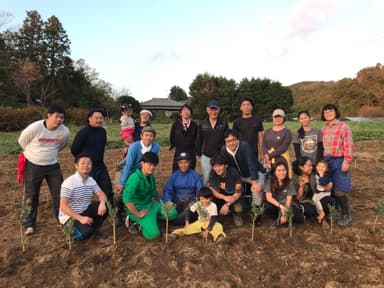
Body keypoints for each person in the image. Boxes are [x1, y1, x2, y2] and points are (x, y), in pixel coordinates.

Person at [18, 104, 70, 235]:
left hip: (52, 165)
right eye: (57, 117)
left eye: (62, 118)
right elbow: (22, 141)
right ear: (49, 116)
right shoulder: (36, 128)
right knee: (31, 194)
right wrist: (34, 154)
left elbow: (62, 145)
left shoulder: (64, 131)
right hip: (33, 165)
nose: (59, 120)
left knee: (59, 193)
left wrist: (49, 154)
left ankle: (62, 220)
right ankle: (28, 224)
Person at [122, 152, 177, 240]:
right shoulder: (135, 178)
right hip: (139, 208)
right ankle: (134, 222)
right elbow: (127, 199)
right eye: (150, 164)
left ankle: (151, 219)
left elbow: (154, 194)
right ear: (142, 164)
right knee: (154, 234)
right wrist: (138, 213)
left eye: (154, 165)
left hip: (150, 205)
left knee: (173, 213)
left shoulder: (151, 177)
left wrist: (163, 204)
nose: (152, 167)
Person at [59, 153, 108, 240]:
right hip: (70, 216)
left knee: (105, 207)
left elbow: (101, 194)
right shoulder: (69, 183)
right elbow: (63, 207)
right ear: (76, 166)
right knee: (86, 233)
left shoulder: (91, 180)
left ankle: (95, 229)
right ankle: (70, 231)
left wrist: (102, 203)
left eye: (89, 163)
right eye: (83, 163)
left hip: (84, 211)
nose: (86, 165)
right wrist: (81, 218)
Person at [220, 129, 264, 225]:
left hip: (254, 172)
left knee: (257, 190)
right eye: (228, 141)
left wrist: (254, 181)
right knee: (232, 188)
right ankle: (237, 209)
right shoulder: (223, 150)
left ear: (238, 139)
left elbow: (251, 163)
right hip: (238, 175)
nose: (231, 143)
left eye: (233, 140)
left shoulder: (245, 146)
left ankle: (257, 215)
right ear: (225, 142)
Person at [70, 109, 113, 205]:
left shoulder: (102, 131)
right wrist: (83, 162)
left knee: (108, 189)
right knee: (84, 193)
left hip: (100, 165)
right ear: (89, 119)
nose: (99, 120)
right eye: (96, 118)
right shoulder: (83, 132)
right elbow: (74, 149)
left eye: (101, 118)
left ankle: (111, 212)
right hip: (87, 167)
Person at [321, 103, 353, 226]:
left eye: (331, 111)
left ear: (336, 112)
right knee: (331, 188)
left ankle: (346, 214)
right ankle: (337, 212)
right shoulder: (324, 129)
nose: (328, 113)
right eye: (326, 112)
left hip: (339, 160)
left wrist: (347, 161)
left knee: (340, 189)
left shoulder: (343, 126)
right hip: (328, 161)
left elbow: (348, 145)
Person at [162, 152, 203, 226]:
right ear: (178, 163)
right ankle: (173, 219)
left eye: (185, 163)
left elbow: (200, 191)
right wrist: (169, 202)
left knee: (192, 209)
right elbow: (168, 191)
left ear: (189, 163)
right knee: (161, 202)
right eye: (181, 163)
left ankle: (175, 221)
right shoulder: (174, 176)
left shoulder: (195, 176)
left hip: (190, 201)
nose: (183, 165)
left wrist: (195, 200)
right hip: (177, 200)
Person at [292, 157, 335, 227]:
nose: (311, 167)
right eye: (309, 166)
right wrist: (301, 186)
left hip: (317, 197)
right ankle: (319, 217)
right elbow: (298, 198)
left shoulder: (313, 173)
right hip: (305, 201)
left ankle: (319, 216)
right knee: (310, 209)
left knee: (329, 201)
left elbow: (326, 178)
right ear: (301, 167)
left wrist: (329, 184)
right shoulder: (295, 178)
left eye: (312, 165)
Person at [116, 126, 160, 193]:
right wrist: (122, 182)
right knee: (121, 192)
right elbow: (129, 165)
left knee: (142, 191)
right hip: (127, 169)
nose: (148, 138)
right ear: (141, 136)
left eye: (151, 136)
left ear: (153, 137)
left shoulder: (155, 147)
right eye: (146, 135)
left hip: (141, 171)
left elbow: (152, 163)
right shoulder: (134, 147)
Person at [195, 99, 229, 184]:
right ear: (207, 110)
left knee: (220, 177)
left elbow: (227, 138)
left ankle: (219, 196)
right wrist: (198, 154)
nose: (213, 112)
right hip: (206, 155)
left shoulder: (224, 122)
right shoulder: (202, 123)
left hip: (219, 155)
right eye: (211, 109)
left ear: (219, 110)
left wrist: (226, 153)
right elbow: (199, 139)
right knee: (207, 178)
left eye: (215, 109)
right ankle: (206, 195)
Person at [207, 153, 244, 227]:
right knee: (209, 200)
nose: (217, 169)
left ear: (226, 165)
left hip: (233, 197)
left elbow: (238, 193)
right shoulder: (213, 173)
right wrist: (225, 198)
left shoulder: (234, 173)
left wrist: (227, 204)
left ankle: (236, 215)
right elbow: (211, 189)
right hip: (220, 197)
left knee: (238, 208)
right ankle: (216, 216)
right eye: (215, 166)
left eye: (220, 166)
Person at [264, 161, 305, 228]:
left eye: (284, 170)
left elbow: (289, 200)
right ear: (274, 172)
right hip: (276, 204)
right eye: (279, 170)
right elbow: (268, 197)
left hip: (287, 205)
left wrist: (284, 214)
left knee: (299, 218)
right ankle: (276, 219)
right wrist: (280, 206)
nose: (282, 173)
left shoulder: (290, 182)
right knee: (267, 206)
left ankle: (283, 219)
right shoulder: (270, 181)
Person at [262, 108, 292, 177]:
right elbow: (263, 145)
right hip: (268, 161)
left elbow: (283, 147)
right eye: (275, 117)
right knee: (268, 180)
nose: (277, 119)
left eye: (280, 117)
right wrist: (266, 157)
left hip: (281, 159)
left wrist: (269, 156)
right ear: (272, 118)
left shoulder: (287, 132)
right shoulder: (267, 131)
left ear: (283, 118)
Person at [169, 103, 198, 172]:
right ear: (180, 113)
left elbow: (197, 139)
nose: (186, 112)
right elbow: (172, 136)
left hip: (191, 152)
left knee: (190, 170)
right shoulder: (176, 124)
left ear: (191, 113)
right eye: (184, 110)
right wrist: (173, 146)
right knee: (176, 170)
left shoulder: (195, 125)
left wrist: (196, 150)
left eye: (188, 110)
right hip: (179, 151)